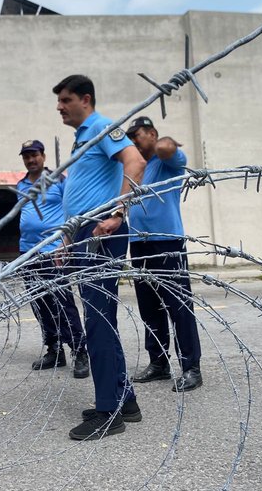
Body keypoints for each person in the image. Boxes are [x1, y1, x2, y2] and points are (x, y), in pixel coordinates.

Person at [52, 74, 146, 440]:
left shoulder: (103, 127)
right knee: (99, 317)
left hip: (100, 233)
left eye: (65, 100)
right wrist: (65, 241)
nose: (59, 107)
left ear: (85, 99)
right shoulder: (82, 138)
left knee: (97, 320)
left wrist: (118, 213)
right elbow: (79, 194)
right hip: (83, 234)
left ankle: (109, 412)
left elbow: (135, 163)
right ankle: (125, 399)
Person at [125, 117, 202, 391]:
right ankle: (158, 363)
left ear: (153, 134)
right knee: (149, 308)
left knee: (178, 306)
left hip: (167, 243)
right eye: (130, 136)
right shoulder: (136, 169)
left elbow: (170, 150)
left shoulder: (165, 162)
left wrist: (164, 143)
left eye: (138, 134)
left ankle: (191, 367)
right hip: (139, 244)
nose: (133, 140)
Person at [16, 139, 89, 378]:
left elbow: (72, 211)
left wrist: (66, 244)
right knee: (40, 304)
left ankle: (79, 351)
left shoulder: (58, 180)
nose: (30, 159)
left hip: (54, 251)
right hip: (28, 252)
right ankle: (54, 349)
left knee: (63, 302)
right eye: (26, 156)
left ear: (43, 156)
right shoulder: (21, 184)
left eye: (34, 155)